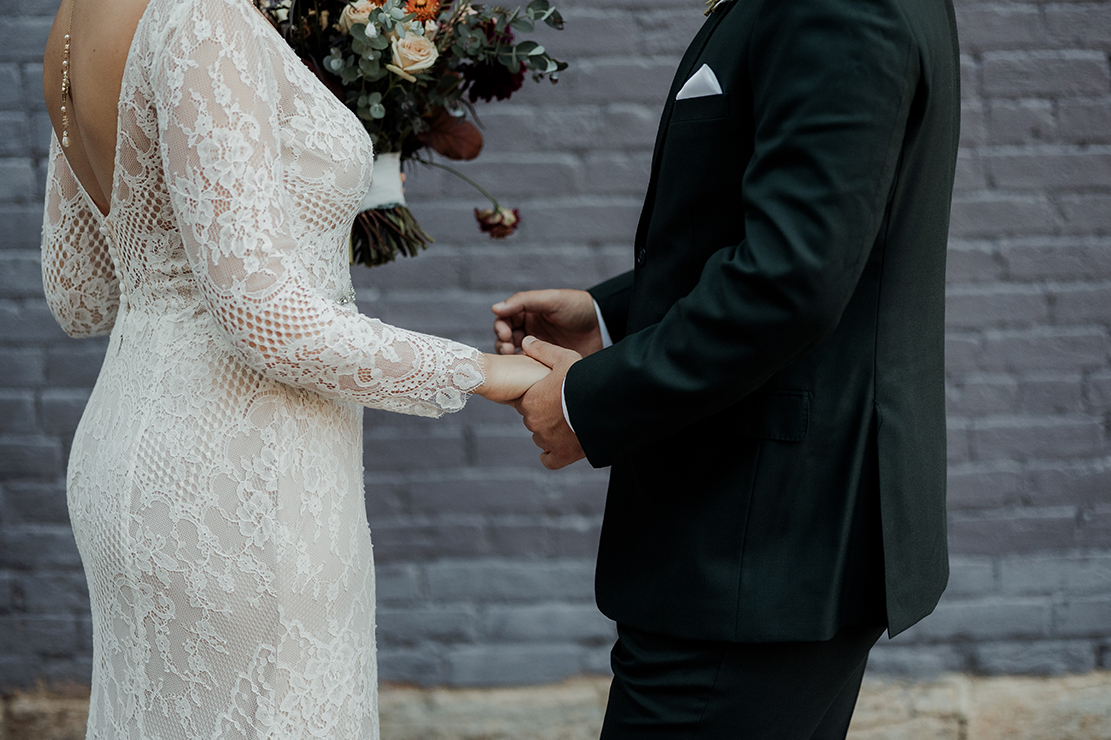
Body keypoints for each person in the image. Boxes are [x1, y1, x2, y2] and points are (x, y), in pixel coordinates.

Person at [39, 0, 547, 736]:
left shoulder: (70, 26)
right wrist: (484, 374)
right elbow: (265, 317)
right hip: (245, 475)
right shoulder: (205, 16)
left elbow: (79, 294)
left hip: (125, 457)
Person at [494, 0, 960, 737]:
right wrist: (611, 314)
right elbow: (812, 240)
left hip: (757, 542)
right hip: (773, 535)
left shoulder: (836, 7)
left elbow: (790, 278)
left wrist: (588, 404)